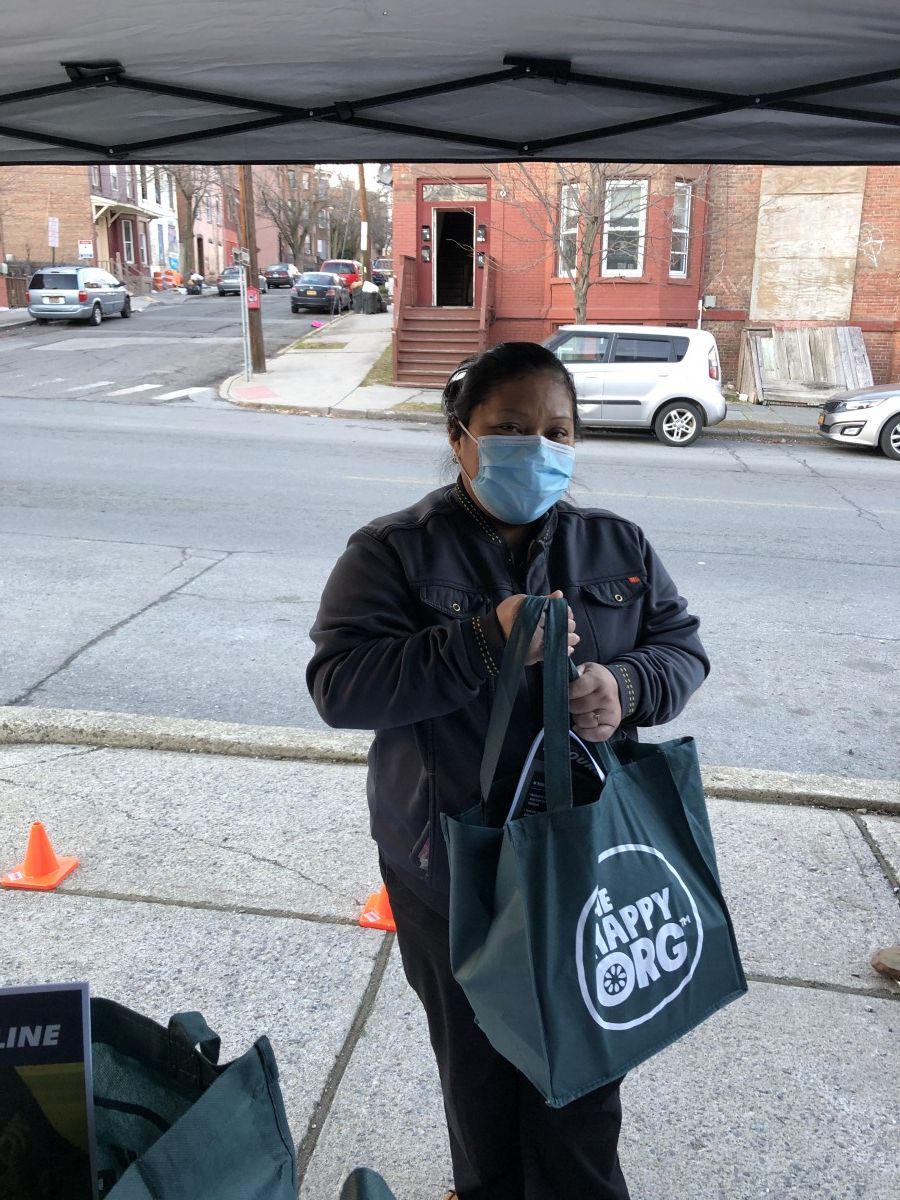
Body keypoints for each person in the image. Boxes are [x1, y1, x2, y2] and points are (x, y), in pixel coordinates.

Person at [307, 342, 710, 1200]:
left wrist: (625, 686)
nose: (538, 446)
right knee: (480, 1062)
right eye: (510, 429)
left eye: (557, 430)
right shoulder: (394, 551)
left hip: (584, 856)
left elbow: (681, 648)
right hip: (450, 863)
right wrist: (480, 640)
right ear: (461, 440)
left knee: (586, 1066)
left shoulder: (617, 544)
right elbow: (340, 688)